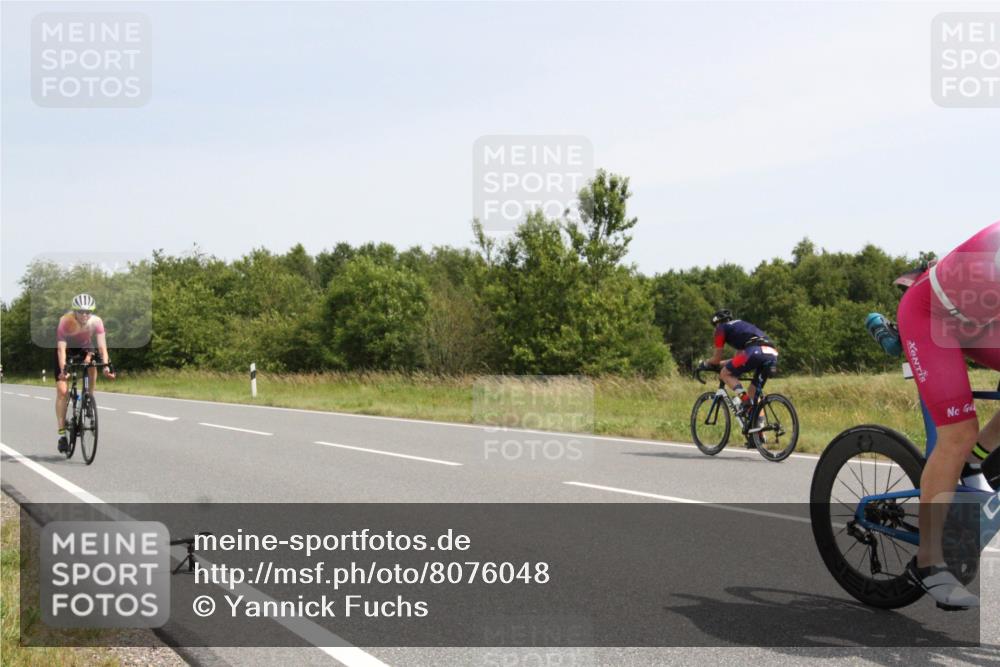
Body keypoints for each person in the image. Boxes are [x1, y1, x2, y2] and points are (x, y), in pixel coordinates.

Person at [896, 221, 1000, 609]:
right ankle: (927, 562)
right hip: (930, 316)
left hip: (980, 319)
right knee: (957, 432)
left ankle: (975, 461)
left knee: (966, 446)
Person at [55, 293, 115, 453]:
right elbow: (61, 349)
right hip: (67, 351)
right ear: (74, 311)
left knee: (93, 362)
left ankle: (89, 397)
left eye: (88, 311)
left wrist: (107, 366)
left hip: (84, 349)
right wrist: (63, 370)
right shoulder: (65, 321)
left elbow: (102, 347)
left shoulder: (97, 322)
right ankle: (62, 435)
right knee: (62, 391)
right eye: (81, 311)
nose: (85, 315)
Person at [700, 309, 779, 423]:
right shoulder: (740, 327)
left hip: (754, 351)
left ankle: (745, 401)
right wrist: (721, 364)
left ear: (717, 323)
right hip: (771, 352)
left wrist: (705, 363)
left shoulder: (721, 329)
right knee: (753, 392)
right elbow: (737, 359)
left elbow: (716, 359)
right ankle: (759, 432)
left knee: (725, 374)